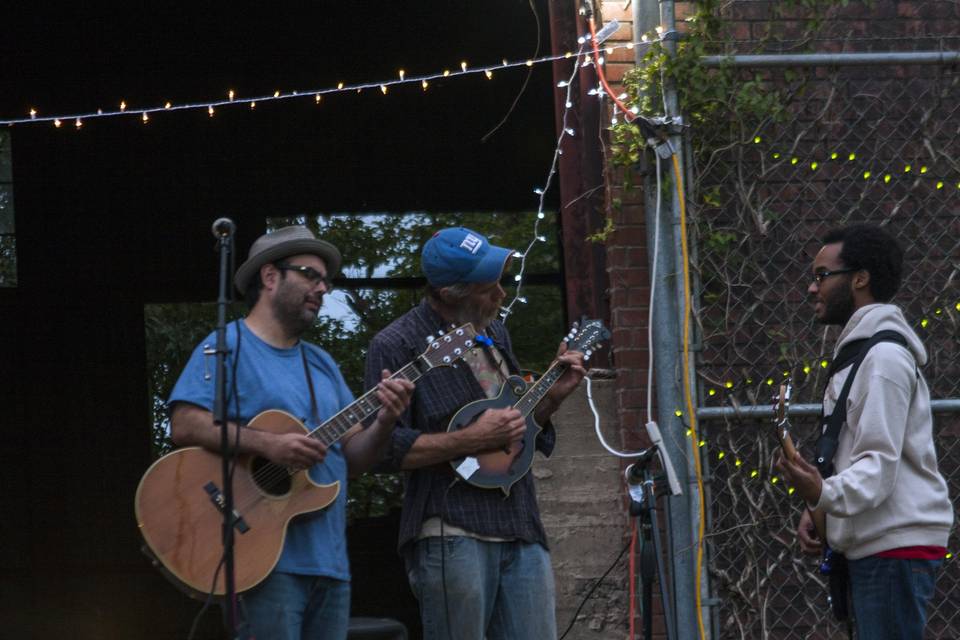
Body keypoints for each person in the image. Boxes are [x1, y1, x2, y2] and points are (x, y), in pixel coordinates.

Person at [168, 225, 414, 640]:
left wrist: (387, 420)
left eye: (325, 280)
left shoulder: (322, 364)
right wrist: (268, 444)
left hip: (331, 564)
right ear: (270, 277)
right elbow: (183, 424)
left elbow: (353, 458)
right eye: (310, 275)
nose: (322, 288)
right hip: (261, 557)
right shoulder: (226, 346)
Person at [363, 226, 586, 640]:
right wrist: (470, 440)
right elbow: (382, 452)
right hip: (451, 530)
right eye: (489, 288)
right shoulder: (396, 345)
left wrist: (551, 399)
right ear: (451, 293)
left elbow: (514, 430)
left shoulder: (494, 333)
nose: (501, 295)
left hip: (519, 523)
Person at [778, 224, 953, 639]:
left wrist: (824, 494)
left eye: (822, 275)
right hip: (878, 545)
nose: (811, 288)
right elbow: (861, 454)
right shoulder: (861, 354)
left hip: (894, 547)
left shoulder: (884, 359)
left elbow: (878, 465)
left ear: (860, 278)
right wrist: (822, 512)